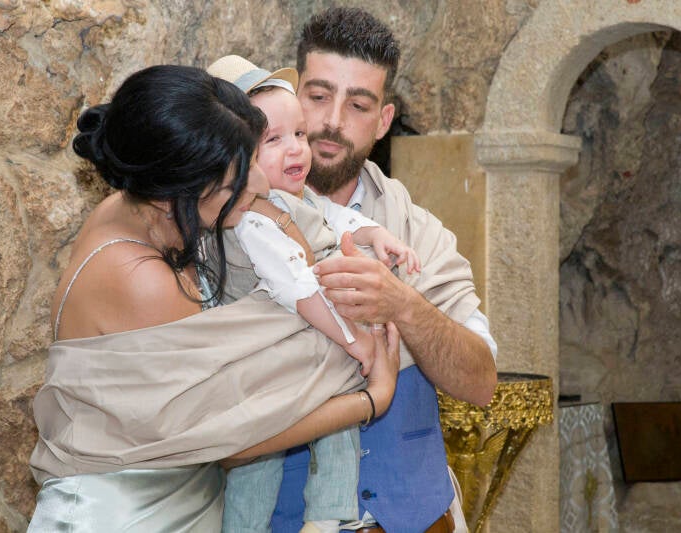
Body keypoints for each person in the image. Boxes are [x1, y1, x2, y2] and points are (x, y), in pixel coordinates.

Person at [26, 64, 401, 532]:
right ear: (177, 190)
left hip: (181, 503)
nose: (260, 187)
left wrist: (279, 219)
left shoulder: (139, 211)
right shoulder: (141, 279)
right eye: (235, 181)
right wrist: (372, 399)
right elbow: (236, 439)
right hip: (130, 517)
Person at [268, 7, 500, 533]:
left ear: (384, 120)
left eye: (358, 105)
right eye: (318, 96)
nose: (332, 121)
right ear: (292, 95)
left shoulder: (420, 233)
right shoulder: (236, 220)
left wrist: (403, 304)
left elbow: (481, 382)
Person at [205, 55, 421, 533]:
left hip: (304, 342)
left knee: (332, 425)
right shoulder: (253, 218)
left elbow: (332, 219)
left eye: (299, 134)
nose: (296, 149)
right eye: (273, 140)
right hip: (270, 357)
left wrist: (374, 233)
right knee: (258, 459)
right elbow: (296, 286)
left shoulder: (293, 198)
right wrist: (356, 343)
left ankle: (326, 515)